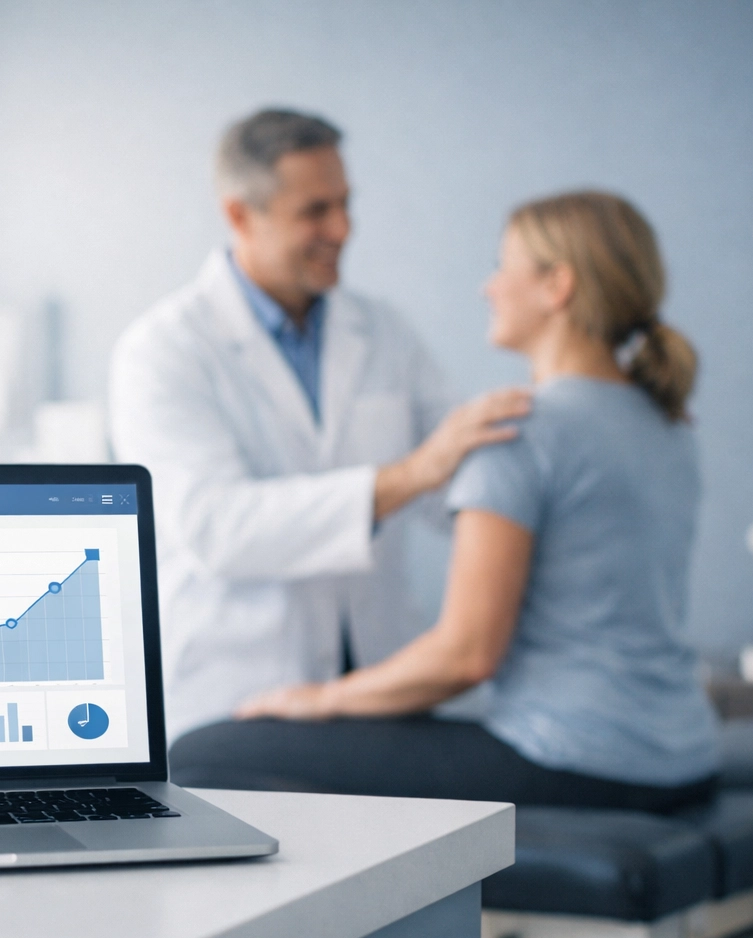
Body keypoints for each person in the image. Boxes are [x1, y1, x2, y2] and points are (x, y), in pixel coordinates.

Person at [168, 191, 720, 812]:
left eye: (503, 266)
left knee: (202, 753)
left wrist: (319, 698)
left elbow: (466, 656)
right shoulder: (667, 422)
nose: (489, 287)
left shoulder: (517, 429)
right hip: (684, 753)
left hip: (573, 758)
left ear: (555, 286)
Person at [108, 109, 530, 742]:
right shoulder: (164, 350)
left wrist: (583, 424)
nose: (342, 228)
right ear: (240, 215)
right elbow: (217, 529)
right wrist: (412, 473)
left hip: (376, 682)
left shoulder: (383, 330)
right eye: (315, 211)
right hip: (238, 693)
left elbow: (463, 478)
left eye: (345, 204)